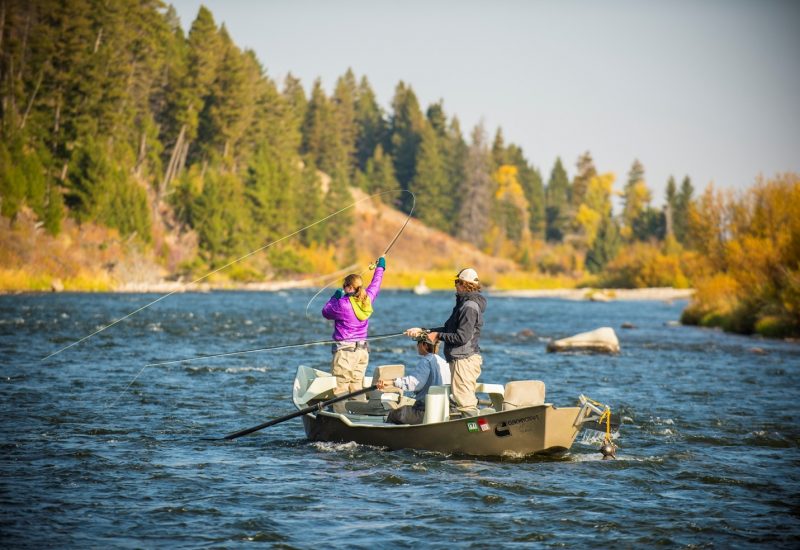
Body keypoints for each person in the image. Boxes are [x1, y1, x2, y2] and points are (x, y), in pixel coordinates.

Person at [405, 267, 486, 417]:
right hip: (462, 359)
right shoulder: (464, 304)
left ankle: (476, 434)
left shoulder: (469, 307)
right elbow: (449, 329)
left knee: (465, 403)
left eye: (457, 281)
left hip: (464, 360)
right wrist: (425, 331)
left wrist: (438, 335)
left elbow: (462, 337)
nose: (455, 285)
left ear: (464, 284)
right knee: (463, 399)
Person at [321, 257, 386, 400]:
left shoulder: (342, 304)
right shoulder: (367, 299)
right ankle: (359, 416)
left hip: (345, 353)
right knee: (357, 388)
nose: (343, 287)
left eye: (344, 285)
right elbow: (376, 284)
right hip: (362, 352)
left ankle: (341, 418)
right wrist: (380, 267)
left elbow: (325, 312)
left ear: (349, 288)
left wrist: (334, 297)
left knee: (340, 390)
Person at [380, 332, 451, 425]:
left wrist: (390, 382)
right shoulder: (445, 362)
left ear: (424, 345)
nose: (417, 346)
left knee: (394, 414)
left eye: (418, 343)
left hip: (425, 410)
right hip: (443, 408)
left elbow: (414, 383)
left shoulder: (426, 361)